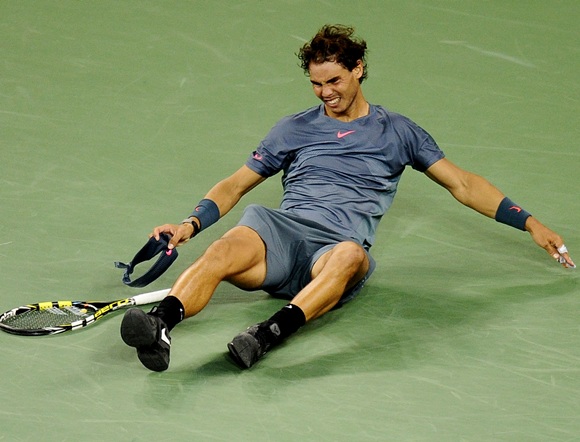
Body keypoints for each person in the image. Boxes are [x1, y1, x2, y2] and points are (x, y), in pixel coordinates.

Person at [120, 24, 575, 372]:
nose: (326, 93)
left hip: (335, 252)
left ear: (358, 69)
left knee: (351, 255)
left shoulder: (398, 132)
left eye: (334, 80)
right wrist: (189, 224)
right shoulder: (294, 128)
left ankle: (267, 335)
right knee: (223, 248)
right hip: (284, 237)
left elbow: (463, 184)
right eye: (317, 85)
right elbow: (236, 184)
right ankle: (161, 325)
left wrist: (529, 221)